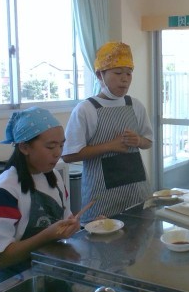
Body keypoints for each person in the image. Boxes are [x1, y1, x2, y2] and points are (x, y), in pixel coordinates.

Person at [0, 107, 80, 288]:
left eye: (61, 145)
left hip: (46, 272)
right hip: (13, 282)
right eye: (50, 146)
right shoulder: (3, 190)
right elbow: (2, 258)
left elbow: (66, 219)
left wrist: (81, 226)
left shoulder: (54, 177)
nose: (57, 153)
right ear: (24, 147)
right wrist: (46, 235)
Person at [62, 41, 153, 223]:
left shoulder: (135, 105)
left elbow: (148, 142)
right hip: (101, 199)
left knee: (141, 235)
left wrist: (138, 141)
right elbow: (69, 155)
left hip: (137, 192)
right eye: (118, 73)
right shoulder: (86, 109)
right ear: (99, 75)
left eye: (128, 73)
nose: (124, 79)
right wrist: (110, 146)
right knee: (103, 240)